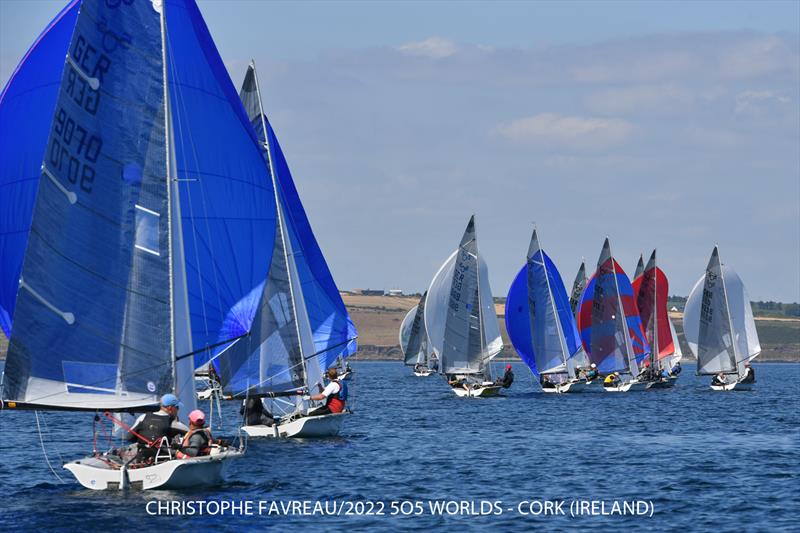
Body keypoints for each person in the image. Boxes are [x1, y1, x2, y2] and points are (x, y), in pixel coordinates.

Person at [127, 393, 188, 462]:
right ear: (170, 408)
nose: (178, 410)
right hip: (162, 460)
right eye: (177, 407)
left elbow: (129, 437)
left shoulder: (143, 417)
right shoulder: (172, 422)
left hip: (141, 458)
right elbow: (190, 432)